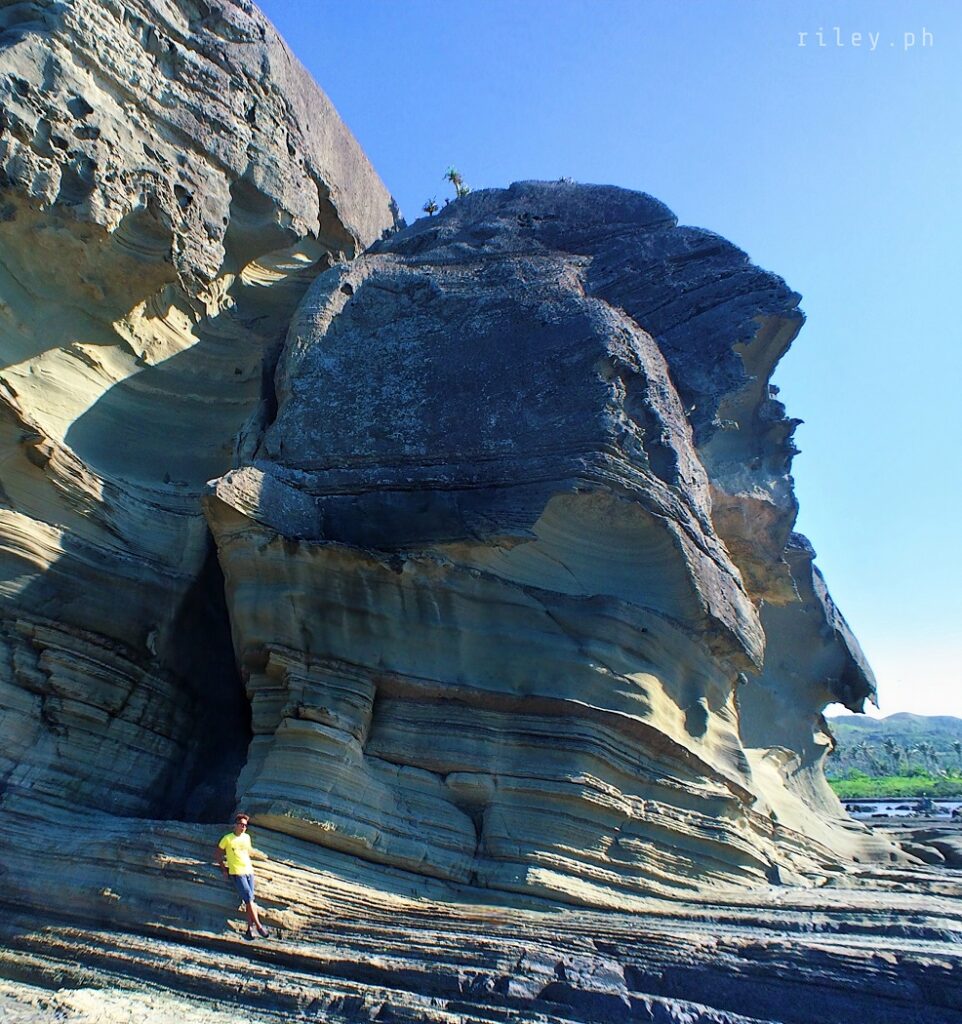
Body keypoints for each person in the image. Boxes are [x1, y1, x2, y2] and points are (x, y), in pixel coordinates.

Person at [215, 812, 270, 940]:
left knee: (249, 901)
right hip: (237, 872)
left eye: (245, 825)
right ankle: (259, 926)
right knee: (249, 899)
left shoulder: (246, 838)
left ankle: (250, 929)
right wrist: (223, 869)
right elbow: (217, 854)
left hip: (249, 871)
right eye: (241, 824)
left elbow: (247, 852)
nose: (243, 827)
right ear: (236, 825)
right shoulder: (227, 838)